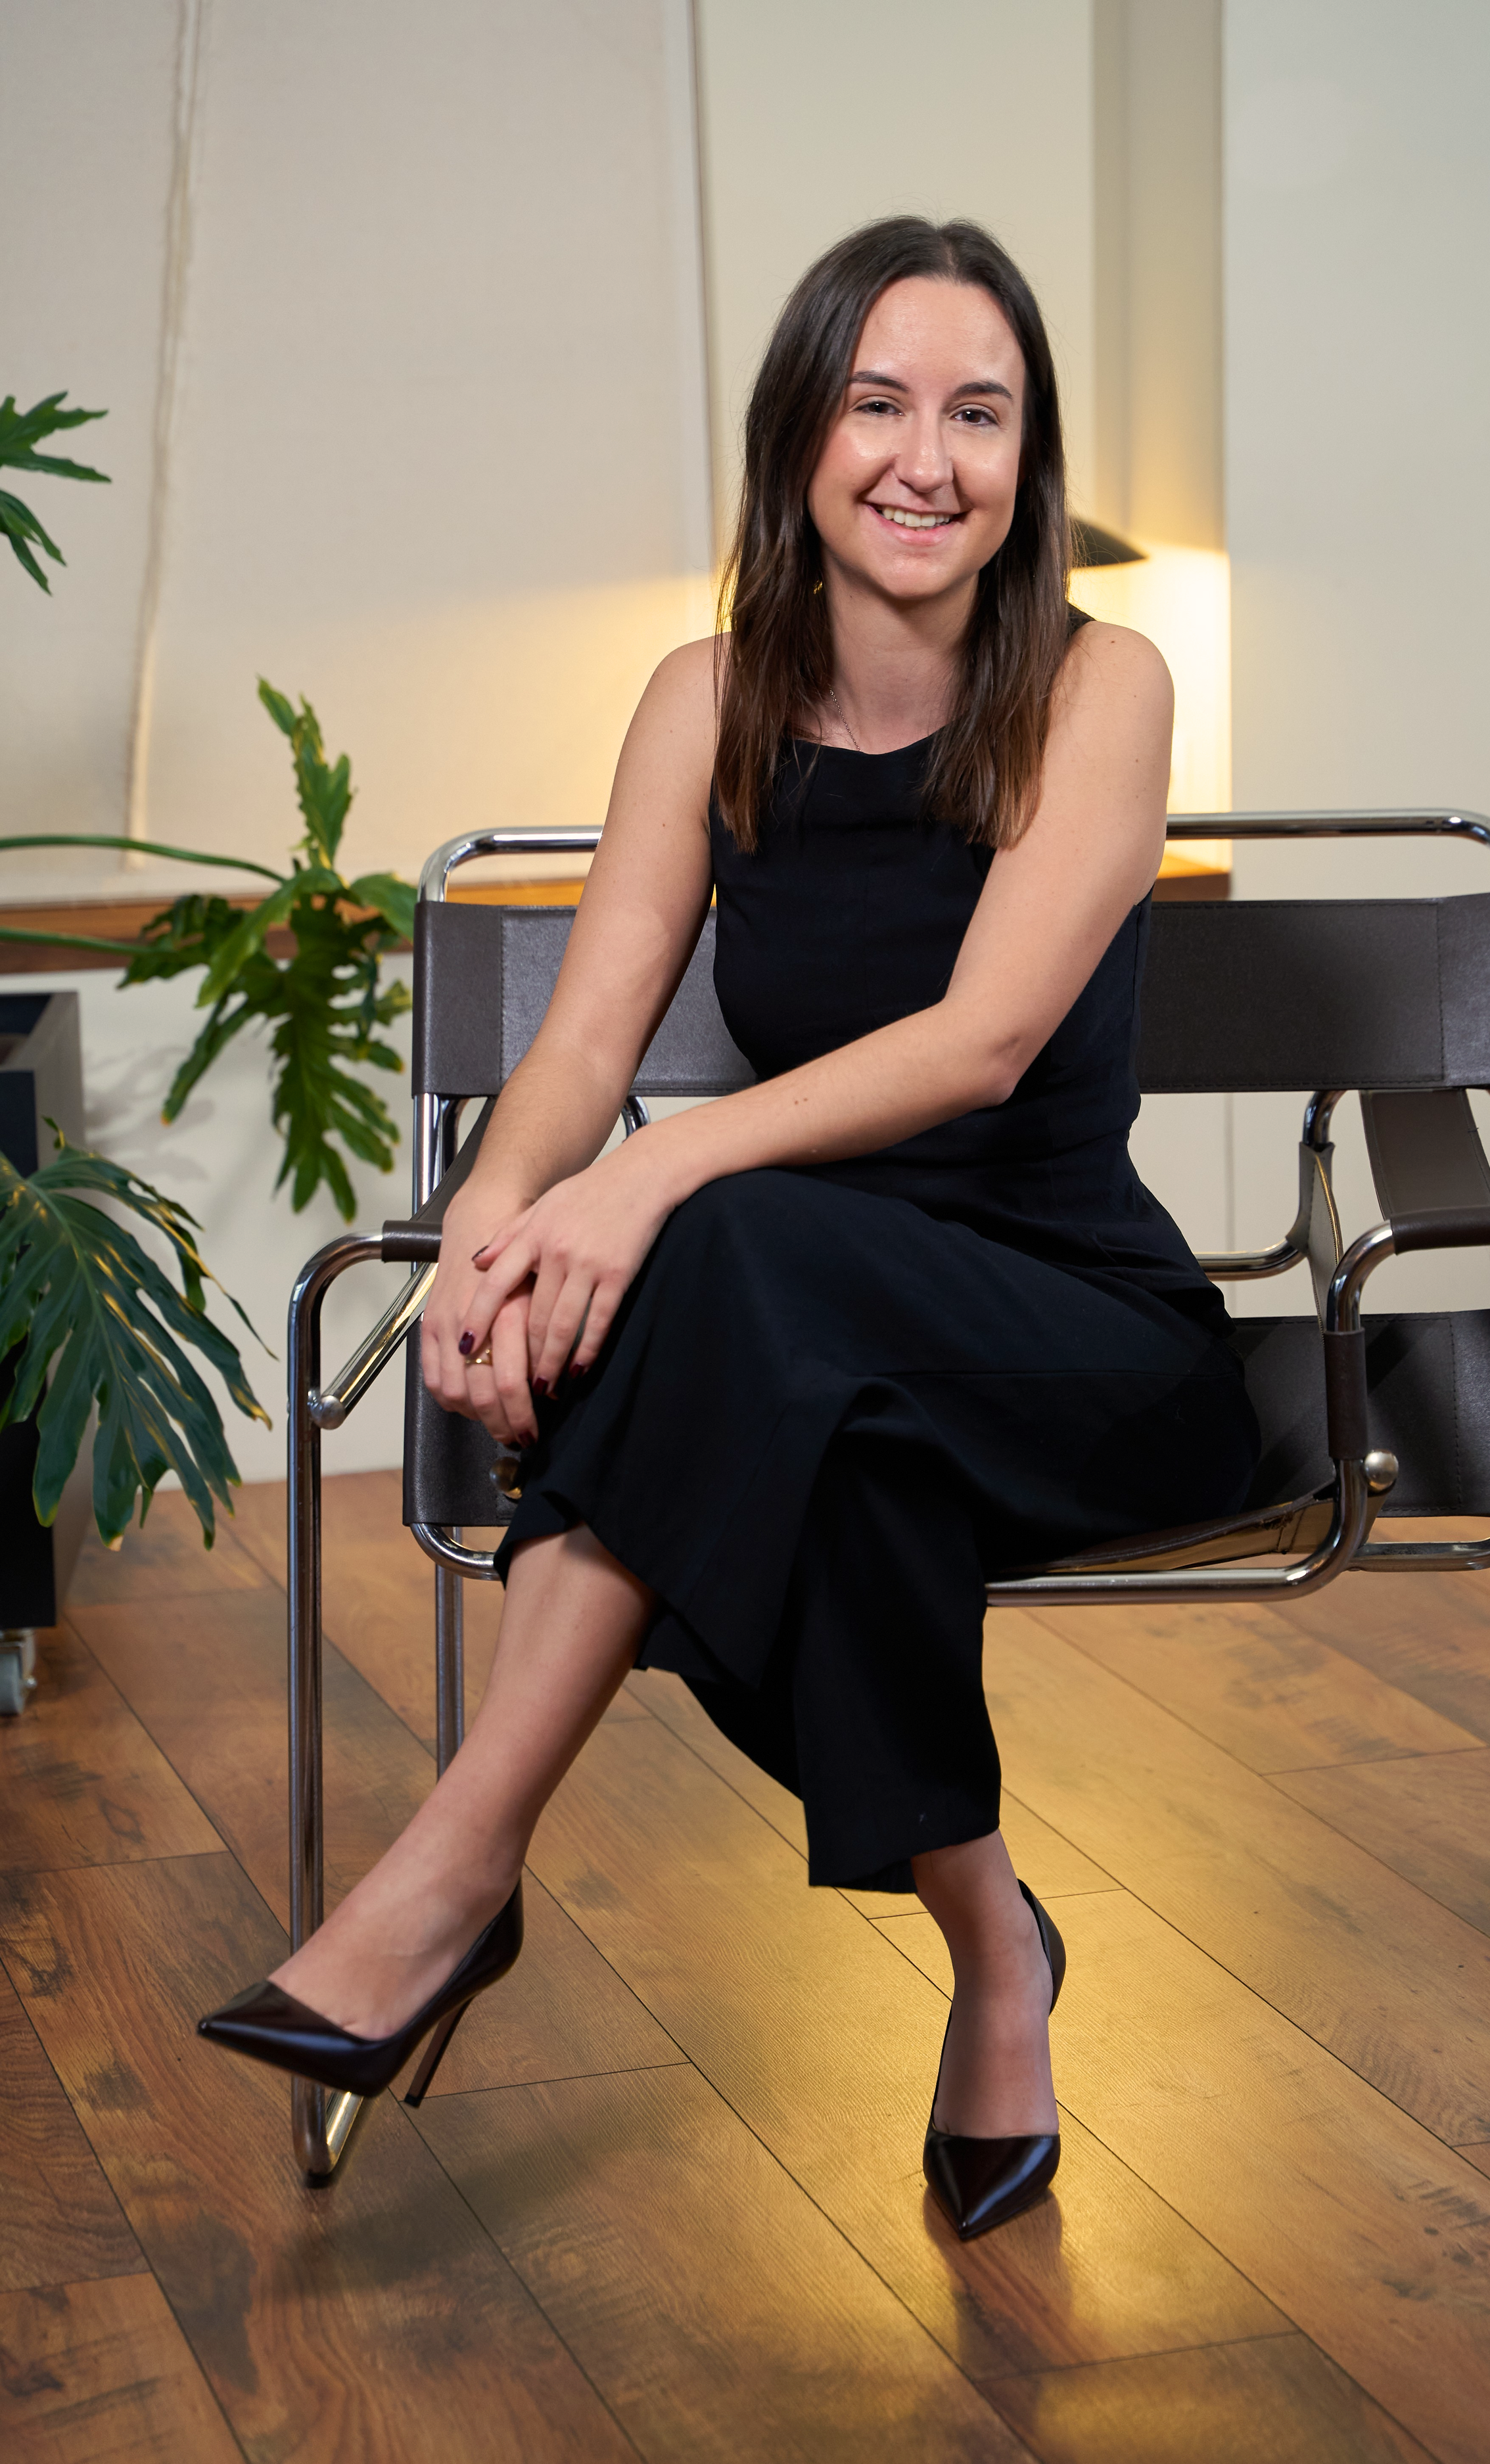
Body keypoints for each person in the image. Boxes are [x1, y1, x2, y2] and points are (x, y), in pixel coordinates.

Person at [199, 216, 1259, 2241]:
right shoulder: (706, 698)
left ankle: (455, 1867)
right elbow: (588, 1037)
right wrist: (489, 1237)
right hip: (805, 1360)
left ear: (1030, 467)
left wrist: (650, 1177)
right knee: (814, 1434)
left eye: (980, 413)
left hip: (1083, 1343)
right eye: (877, 403)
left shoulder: (1102, 682)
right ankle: (995, 1957)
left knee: (733, 1245)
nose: (923, 458)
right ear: (797, 436)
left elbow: (982, 1038)